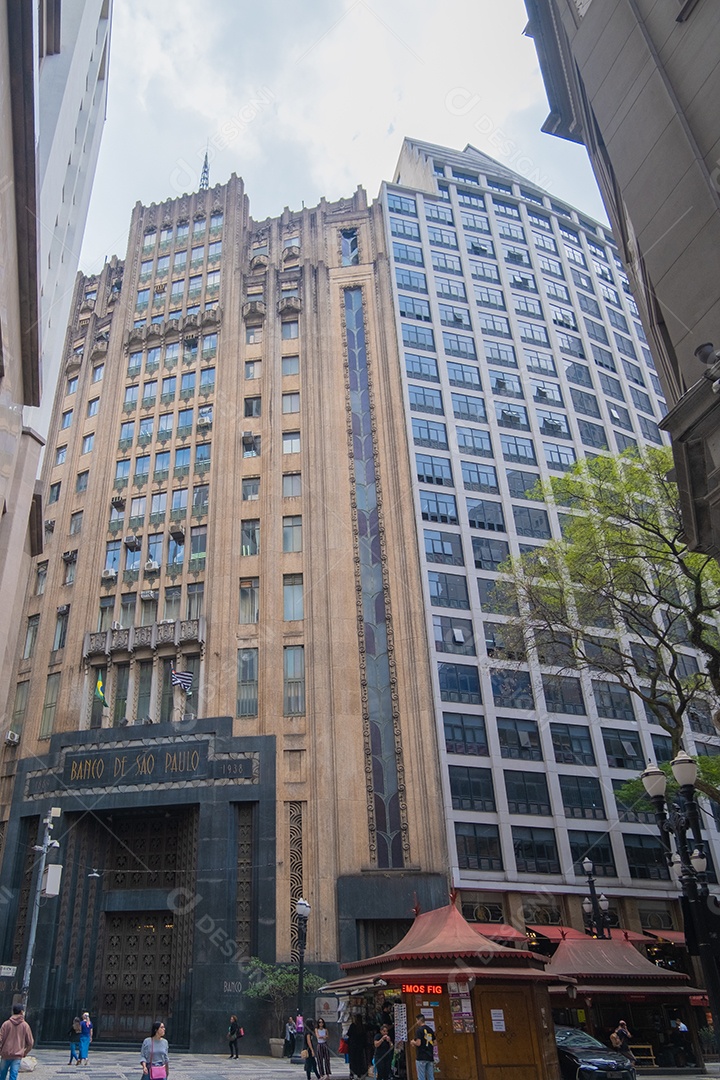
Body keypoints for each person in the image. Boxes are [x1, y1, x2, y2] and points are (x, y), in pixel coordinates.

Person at [0, 1004, 34, 1080]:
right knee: (13, 1076)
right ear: (21, 1012)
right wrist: (25, 1052)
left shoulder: (6, 1024)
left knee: (1, 1076)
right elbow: (30, 1042)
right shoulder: (25, 1025)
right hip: (17, 1055)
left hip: (5, 1054)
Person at [411, 1013, 436, 1080]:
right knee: (431, 1076)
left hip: (421, 1055)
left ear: (419, 1020)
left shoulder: (419, 1030)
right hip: (430, 1055)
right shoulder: (430, 1030)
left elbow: (418, 1043)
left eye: (417, 1021)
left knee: (421, 1076)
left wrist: (413, 1042)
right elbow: (435, 1043)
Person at [347, 1016, 367, 1080]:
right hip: (360, 1046)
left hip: (352, 1046)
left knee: (352, 1060)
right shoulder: (362, 1027)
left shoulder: (353, 1026)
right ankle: (359, 1074)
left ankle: (352, 1074)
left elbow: (348, 1034)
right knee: (359, 1060)